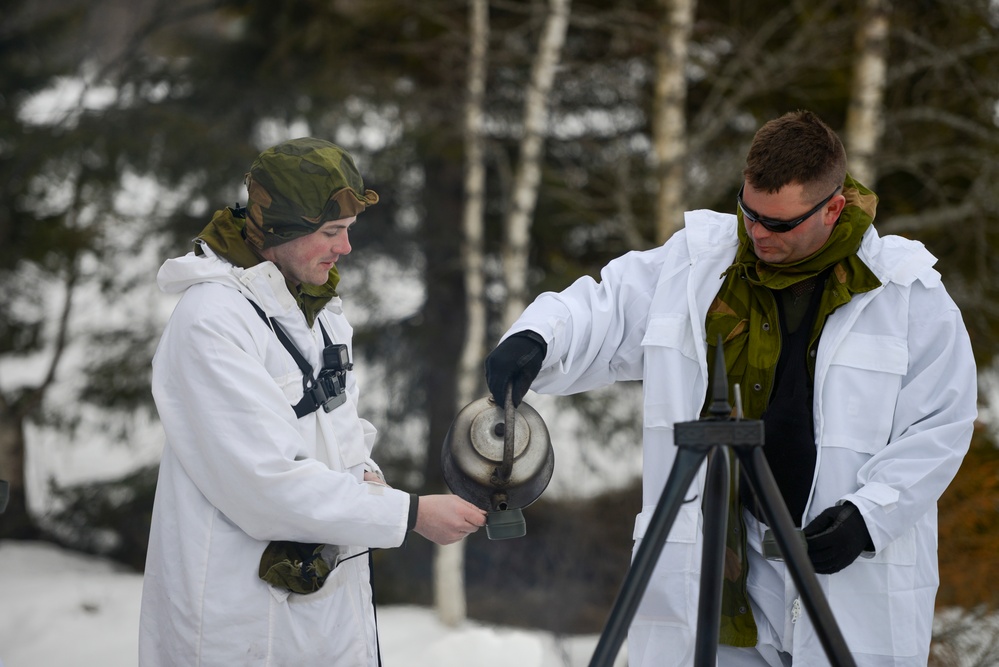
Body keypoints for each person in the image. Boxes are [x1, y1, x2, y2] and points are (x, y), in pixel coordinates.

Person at [485, 111, 977, 667]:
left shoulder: (907, 293)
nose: (758, 233)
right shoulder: (697, 264)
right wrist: (536, 337)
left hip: (847, 574)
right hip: (720, 570)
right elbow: (606, 308)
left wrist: (869, 517)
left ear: (833, 208)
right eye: (749, 212)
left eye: (780, 223)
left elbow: (941, 423)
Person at [140, 137, 486, 666]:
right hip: (239, 626)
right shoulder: (211, 323)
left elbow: (339, 430)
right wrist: (409, 514)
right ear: (280, 228)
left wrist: (367, 477)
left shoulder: (317, 310)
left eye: (347, 232)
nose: (345, 249)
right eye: (331, 233)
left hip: (323, 613)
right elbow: (266, 484)